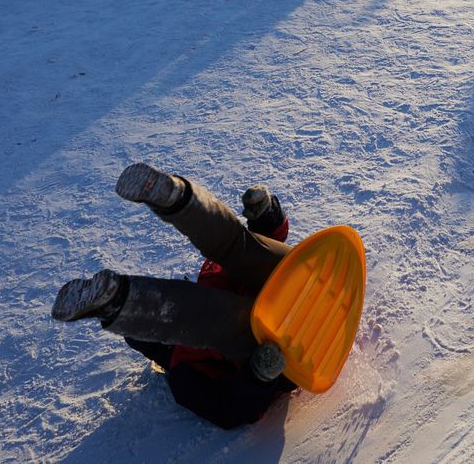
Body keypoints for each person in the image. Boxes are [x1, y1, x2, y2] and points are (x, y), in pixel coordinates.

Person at [50, 164, 299, 430]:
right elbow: (228, 410)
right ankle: (181, 201)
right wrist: (259, 376)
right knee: (230, 264)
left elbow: (256, 250)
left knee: (215, 300)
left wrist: (265, 219)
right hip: (288, 344)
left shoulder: (187, 355)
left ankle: (117, 302)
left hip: (297, 297)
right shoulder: (186, 368)